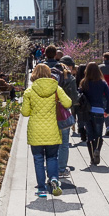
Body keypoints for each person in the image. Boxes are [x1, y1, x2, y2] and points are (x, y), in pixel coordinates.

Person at [21, 64, 73, 198]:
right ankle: (54, 179)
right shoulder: (56, 87)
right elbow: (68, 103)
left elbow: (25, 113)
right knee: (52, 157)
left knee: (38, 159)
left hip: (35, 130)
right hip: (52, 129)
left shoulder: (29, 91)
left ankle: (42, 189)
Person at [78, 62, 109, 166]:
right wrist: (107, 110)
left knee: (90, 135)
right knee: (98, 134)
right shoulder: (102, 83)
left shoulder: (84, 82)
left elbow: (79, 95)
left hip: (87, 112)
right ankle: (97, 148)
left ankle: (92, 158)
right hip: (99, 111)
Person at [55, 57, 79, 178]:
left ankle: (51, 167)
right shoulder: (69, 77)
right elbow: (74, 99)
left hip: (48, 112)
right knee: (64, 142)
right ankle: (61, 169)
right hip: (63, 113)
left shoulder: (50, 75)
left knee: (50, 141)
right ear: (69, 66)